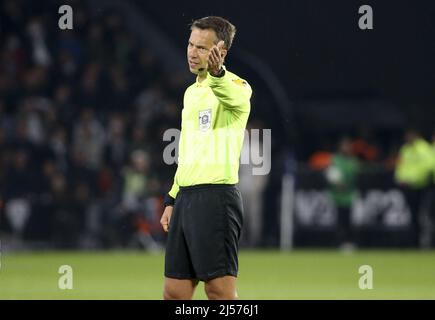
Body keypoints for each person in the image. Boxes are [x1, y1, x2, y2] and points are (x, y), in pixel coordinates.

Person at [160, 16, 252, 300]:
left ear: (220, 52)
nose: (191, 51)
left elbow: (234, 95)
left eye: (201, 47)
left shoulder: (237, 86)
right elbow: (187, 152)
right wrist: (173, 198)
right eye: (190, 44)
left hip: (216, 198)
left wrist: (218, 73)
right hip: (186, 198)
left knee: (219, 292)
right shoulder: (191, 93)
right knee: (174, 292)